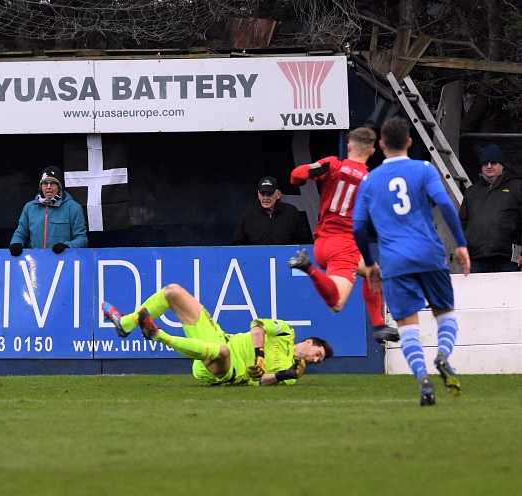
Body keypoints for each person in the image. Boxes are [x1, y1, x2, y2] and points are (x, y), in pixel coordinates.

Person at [353, 115, 470, 406]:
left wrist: (369, 264)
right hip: (429, 253)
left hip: (394, 261)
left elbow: (357, 227)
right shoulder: (424, 169)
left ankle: (422, 379)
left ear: (380, 145)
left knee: (407, 325)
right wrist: (462, 244)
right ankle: (442, 354)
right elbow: (444, 203)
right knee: (445, 313)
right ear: (409, 141)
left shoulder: (370, 180)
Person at [287, 127, 399, 344]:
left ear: (349, 147)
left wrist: (304, 179)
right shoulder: (371, 181)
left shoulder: (332, 164)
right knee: (336, 303)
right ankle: (307, 267)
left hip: (322, 242)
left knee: (372, 272)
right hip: (343, 246)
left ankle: (379, 326)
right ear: (372, 151)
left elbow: (296, 175)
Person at [102, 286, 332, 386]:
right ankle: (125, 324)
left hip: (227, 370)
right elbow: (258, 325)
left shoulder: (291, 375)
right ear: (309, 342)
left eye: (318, 361)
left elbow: (258, 382)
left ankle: (158, 336)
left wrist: (283, 374)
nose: (314, 360)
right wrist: (259, 354)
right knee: (173, 292)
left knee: (222, 353)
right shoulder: (286, 332)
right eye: (317, 354)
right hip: (220, 337)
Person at [458, 144, 522, 273]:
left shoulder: (517, 187)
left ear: (502, 165)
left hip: (507, 258)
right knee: (476, 293)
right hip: (476, 258)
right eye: (485, 163)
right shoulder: (471, 191)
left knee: (507, 293)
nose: (489, 166)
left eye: (493, 162)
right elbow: (461, 222)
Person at [9, 166, 87, 256]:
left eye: (53, 183)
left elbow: (82, 238)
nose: (48, 187)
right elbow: (21, 232)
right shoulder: (29, 207)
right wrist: (16, 243)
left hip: (63, 260)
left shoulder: (74, 208)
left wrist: (68, 246)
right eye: (45, 183)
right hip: (36, 261)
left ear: (59, 187)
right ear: (41, 187)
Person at [231, 176, 313, 245]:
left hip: (285, 261)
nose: (265, 198)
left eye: (269, 194)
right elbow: (238, 244)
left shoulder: (291, 212)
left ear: (278, 194)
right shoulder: (249, 214)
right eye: (263, 194)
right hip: (257, 262)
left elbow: (304, 242)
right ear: (258, 195)